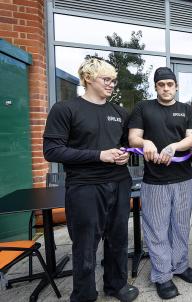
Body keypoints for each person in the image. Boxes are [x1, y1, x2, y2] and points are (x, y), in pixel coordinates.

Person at [43, 58, 139, 302]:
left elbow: (127, 147)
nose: (112, 85)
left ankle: (116, 285)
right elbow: (52, 151)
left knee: (118, 238)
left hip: (119, 183)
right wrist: (99, 155)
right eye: (106, 79)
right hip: (84, 187)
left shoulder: (119, 112)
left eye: (114, 80)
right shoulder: (65, 109)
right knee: (85, 244)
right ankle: (84, 294)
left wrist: (123, 156)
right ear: (88, 78)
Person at [128, 67, 192, 299]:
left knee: (180, 226)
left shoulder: (186, 109)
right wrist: (145, 142)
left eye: (170, 84)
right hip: (154, 182)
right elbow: (133, 137)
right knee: (157, 230)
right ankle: (162, 275)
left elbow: (190, 138)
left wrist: (173, 147)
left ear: (176, 85)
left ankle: (179, 266)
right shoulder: (143, 108)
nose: (166, 88)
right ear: (155, 86)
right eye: (161, 84)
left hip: (184, 180)